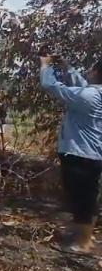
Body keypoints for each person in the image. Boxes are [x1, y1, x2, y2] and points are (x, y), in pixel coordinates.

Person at [40, 53, 102, 254]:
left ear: (97, 73)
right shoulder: (94, 94)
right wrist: (67, 67)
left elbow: (51, 87)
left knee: (80, 198)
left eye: (92, 69)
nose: (89, 71)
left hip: (80, 155)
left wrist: (45, 66)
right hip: (91, 155)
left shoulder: (90, 96)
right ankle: (86, 237)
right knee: (88, 197)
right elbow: (83, 86)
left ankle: (82, 243)